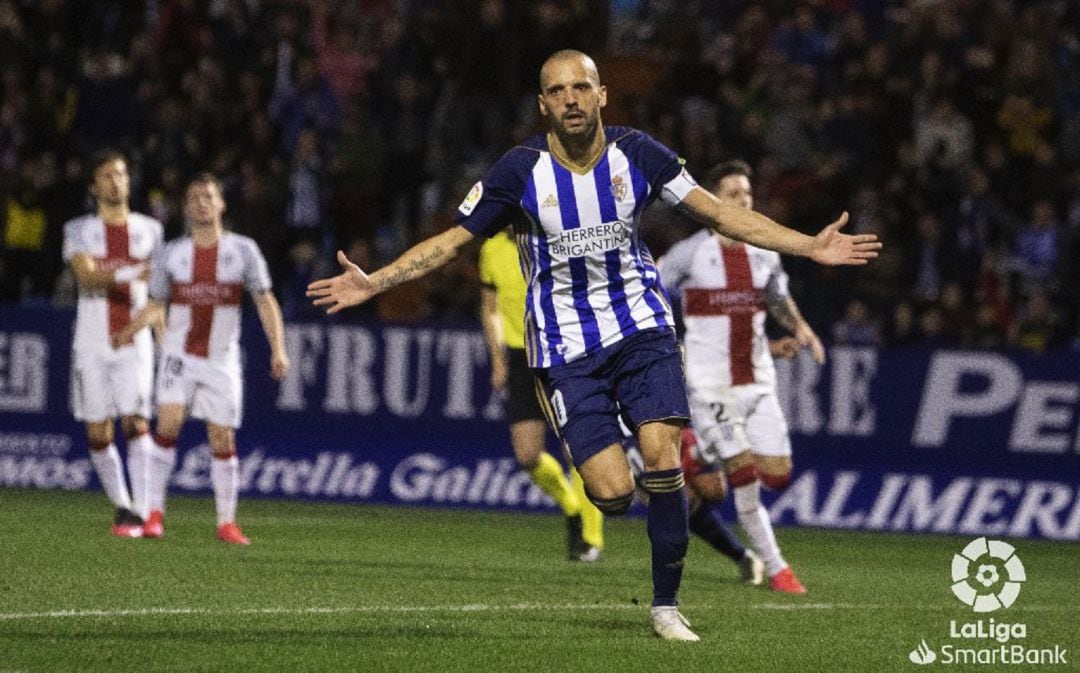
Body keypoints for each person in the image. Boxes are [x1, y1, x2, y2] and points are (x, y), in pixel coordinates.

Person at [308, 50, 878, 641]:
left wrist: (806, 245)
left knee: (662, 455)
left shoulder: (639, 153)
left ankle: (665, 606)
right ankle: (646, 517)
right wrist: (378, 280)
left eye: (582, 87)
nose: (572, 99)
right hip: (564, 349)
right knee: (611, 494)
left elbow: (720, 214)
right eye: (558, 91)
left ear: (603, 94)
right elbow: (451, 241)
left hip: (642, 331)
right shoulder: (519, 170)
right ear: (543, 104)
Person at [658, 159, 827, 594]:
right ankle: (778, 569)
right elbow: (651, 289)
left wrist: (800, 329)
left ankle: (700, 452)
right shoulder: (691, 253)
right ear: (714, 201)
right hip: (709, 385)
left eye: (747, 194)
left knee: (777, 474)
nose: (743, 201)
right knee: (744, 475)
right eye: (733, 194)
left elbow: (777, 299)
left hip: (756, 380)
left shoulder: (764, 251)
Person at [116, 173, 290, 544]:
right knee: (168, 424)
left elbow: (265, 300)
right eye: (194, 197)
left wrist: (279, 348)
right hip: (180, 356)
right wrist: (131, 330)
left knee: (222, 437)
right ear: (185, 206)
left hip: (221, 360)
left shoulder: (243, 251)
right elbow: (156, 304)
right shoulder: (172, 254)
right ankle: (154, 516)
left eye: (208, 196)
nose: (201, 203)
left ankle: (226, 523)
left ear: (222, 204)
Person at [479, 227, 604, 562]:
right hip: (520, 357)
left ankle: (591, 538)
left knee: (574, 447)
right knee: (527, 455)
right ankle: (571, 506)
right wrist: (497, 358)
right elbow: (490, 307)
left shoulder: (556, 239)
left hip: (560, 353)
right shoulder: (492, 248)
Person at [63, 150, 164, 538]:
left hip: (134, 340)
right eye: (106, 176)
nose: (115, 182)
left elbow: (159, 292)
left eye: (120, 174)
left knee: (137, 421)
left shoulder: (150, 231)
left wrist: (161, 333)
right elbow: (86, 278)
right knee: (98, 433)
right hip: (91, 341)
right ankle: (123, 503)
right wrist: (134, 270)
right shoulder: (77, 230)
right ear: (94, 186)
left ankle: (139, 512)